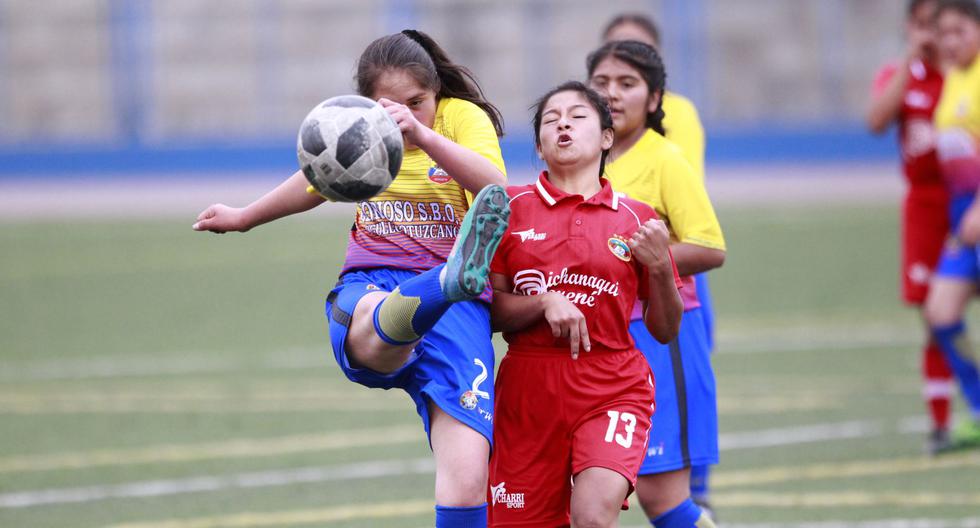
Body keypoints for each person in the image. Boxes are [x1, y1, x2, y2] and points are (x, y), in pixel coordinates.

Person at [192, 29, 510, 528]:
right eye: (392, 105)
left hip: (461, 307)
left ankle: (447, 283)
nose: (406, 113)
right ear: (368, 103)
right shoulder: (359, 123)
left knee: (469, 478)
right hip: (374, 281)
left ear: (435, 94)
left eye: (418, 102)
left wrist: (424, 135)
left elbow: (495, 188)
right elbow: (319, 179)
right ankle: (441, 283)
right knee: (372, 327)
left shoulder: (458, 118)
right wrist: (245, 216)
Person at [487, 81, 683, 527]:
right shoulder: (508, 207)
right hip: (527, 389)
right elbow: (490, 311)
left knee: (593, 517)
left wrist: (658, 269)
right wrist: (543, 302)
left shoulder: (638, 217)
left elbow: (665, 329)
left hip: (612, 384)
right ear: (539, 144)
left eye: (577, 116)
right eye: (551, 120)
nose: (563, 126)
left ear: (606, 137)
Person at [588, 40, 725, 528]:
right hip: (598, 341)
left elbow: (710, 246)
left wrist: (645, 258)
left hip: (660, 335)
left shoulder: (665, 159)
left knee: (661, 498)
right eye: (601, 84)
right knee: (589, 491)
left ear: (653, 99)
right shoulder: (584, 163)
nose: (612, 94)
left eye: (627, 84)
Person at [867, 0, 954, 456]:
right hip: (924, 206)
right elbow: (876, 120)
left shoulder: (967, 75)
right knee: (936, 316)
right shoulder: (903, 75)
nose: (931, 34)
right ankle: (942, 423)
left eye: (939, 25)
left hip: (968, 203)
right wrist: (909, 61)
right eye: (922, 24)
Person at [925, 0, 980, 449]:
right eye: (943, 33)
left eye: (959, 31)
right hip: (963, 214)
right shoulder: (956, 77)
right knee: (941, 312)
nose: (950, 41)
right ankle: (979, 408)